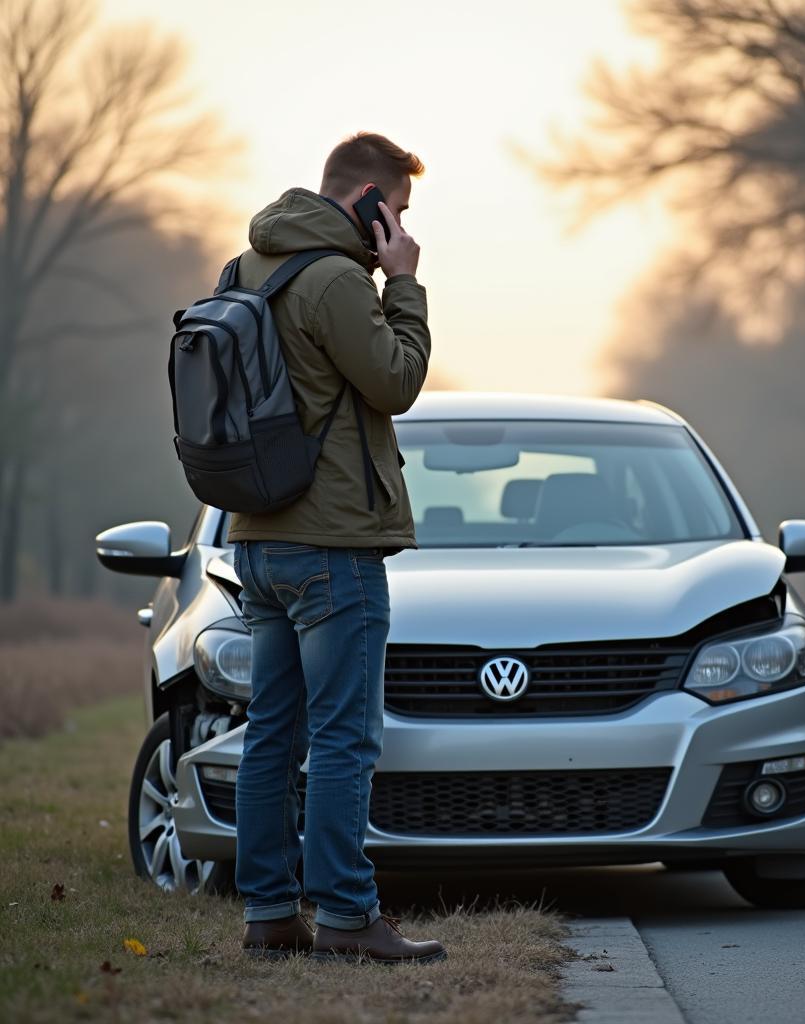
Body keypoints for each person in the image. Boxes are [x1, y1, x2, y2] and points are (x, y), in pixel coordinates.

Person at [225, 132, 444, 964]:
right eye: (398, 211)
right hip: (334, 545)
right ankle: (350, 917)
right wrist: (408, 283)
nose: (401, 226)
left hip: (260, 541)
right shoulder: (335, 280)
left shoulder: (249, 267)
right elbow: (396, 381)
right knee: (345, 737)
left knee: (272, 735)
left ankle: (271, 915)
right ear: (365, 199)